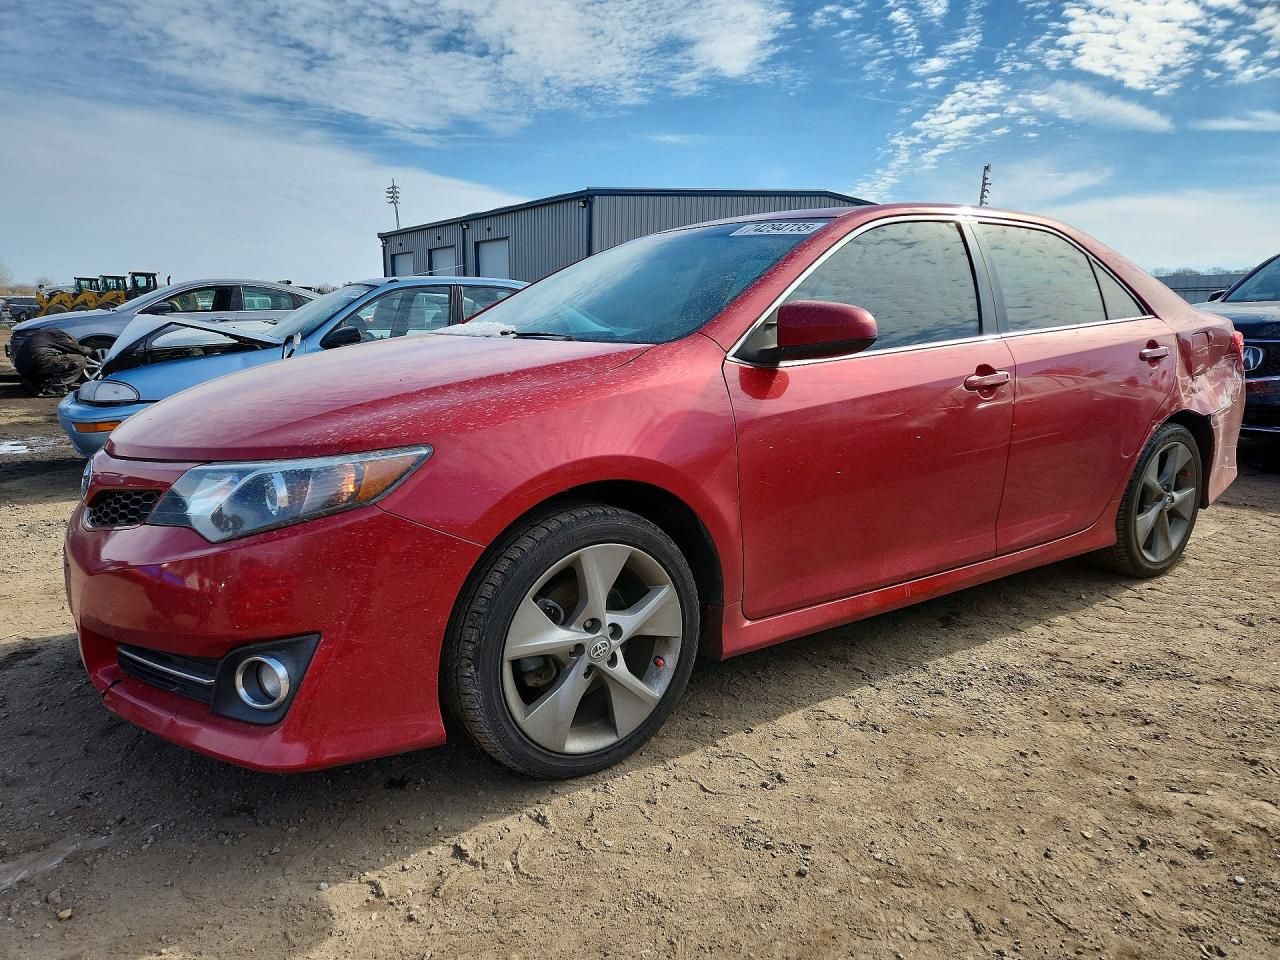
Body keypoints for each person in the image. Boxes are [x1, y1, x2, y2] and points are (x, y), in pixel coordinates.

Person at [12, 328, 94, 396]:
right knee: (80, 359)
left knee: (54, 361)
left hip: (22, 366)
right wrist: (91, 350)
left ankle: (33, 384)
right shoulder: (59, 336)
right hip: (40, 361)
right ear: (69, 338)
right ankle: (57, 387)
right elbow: (77, 349)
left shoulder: (44, 334)